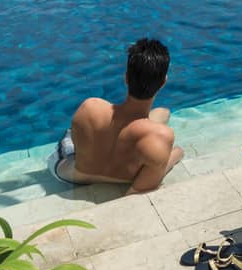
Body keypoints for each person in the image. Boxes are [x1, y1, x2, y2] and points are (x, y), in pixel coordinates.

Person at [53, 38, 185, 192]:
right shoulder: (162, 138)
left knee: (163, 112)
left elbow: (78, 146)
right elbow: (140, 189)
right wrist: (176, 155)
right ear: (163, 82)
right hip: (122, 177)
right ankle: (143, 126)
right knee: (162, 116)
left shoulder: (90, 107)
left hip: (72, 175)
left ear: (126, 77)